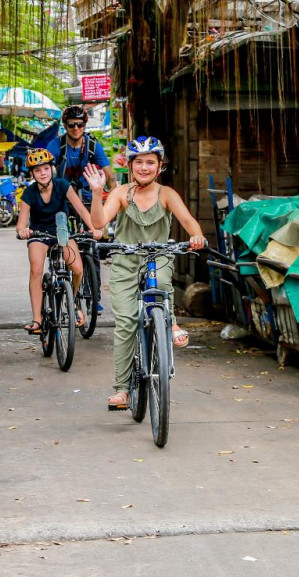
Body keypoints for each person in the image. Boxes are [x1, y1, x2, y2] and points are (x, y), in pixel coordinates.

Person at [85, 136, 207, 410]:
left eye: (150, 162)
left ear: (159, 166)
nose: (144, 167)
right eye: (138, 162)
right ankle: (122, 389)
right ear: (130, 166)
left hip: (158, 255)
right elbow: (98, 222)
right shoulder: (120, 194)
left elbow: (187, 220)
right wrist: (96, 193)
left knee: (163, 282)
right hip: (125, 260)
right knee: (127, 322)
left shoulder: (167, 194)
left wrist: (196, 235)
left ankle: (171, 323)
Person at [16, 148, 100, 334]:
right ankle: (37, 319)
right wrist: (23, 231)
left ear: (52, 169)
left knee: (77, 268)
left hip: (62, 232)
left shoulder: (62, 185)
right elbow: (21, 223)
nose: (43, 173)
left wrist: (93, 228)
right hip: (39, 234)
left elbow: (80, 209)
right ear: (32, 174)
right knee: (36, 269)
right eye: (37, 170)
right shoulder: (29, 193)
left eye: (46, 168)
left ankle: (74, 301)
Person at [50, 105, 116, 312]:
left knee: (91, 245)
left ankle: (94, 298)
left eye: (80, 125)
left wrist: (112, 204)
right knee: (59, 241)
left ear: (85, 125)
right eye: (71, 125)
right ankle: (58, 275)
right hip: (63, 200)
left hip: (87, 200)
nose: (76, 129)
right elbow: (47, 167)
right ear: (65, 126)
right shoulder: (57, 145)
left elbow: (110, 178)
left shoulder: (93, 146)